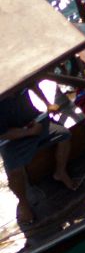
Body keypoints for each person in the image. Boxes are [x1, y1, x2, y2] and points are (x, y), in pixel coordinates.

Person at [0, 86, 76, 225]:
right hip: (11, 139)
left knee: (64, 135)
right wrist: (29, 133)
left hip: (35, 122)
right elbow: (3, 134)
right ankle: (23, 203)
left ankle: (60, 171)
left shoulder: (19, 81)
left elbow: (33, 84)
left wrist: (48, 104)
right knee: (14, 171)